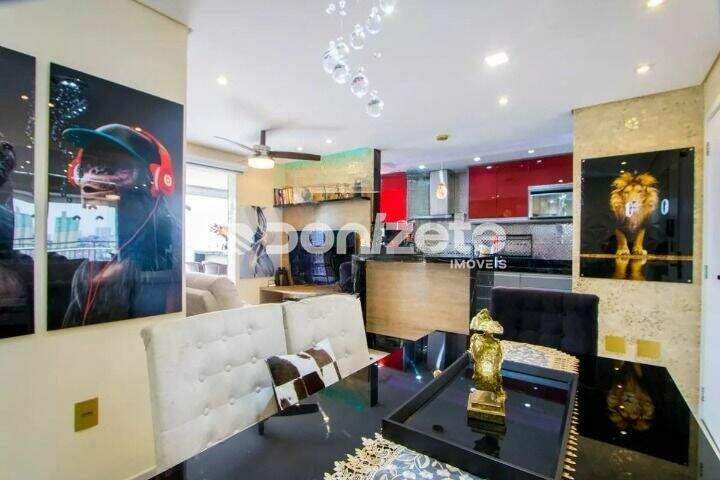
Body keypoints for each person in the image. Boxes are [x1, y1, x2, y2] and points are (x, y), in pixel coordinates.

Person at [60, 124, 181, 327]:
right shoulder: (92, 253)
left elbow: (170, 320)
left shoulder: (167, 236)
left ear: (157, 179)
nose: (94, 176)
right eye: (87, 166)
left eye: (117, 166)